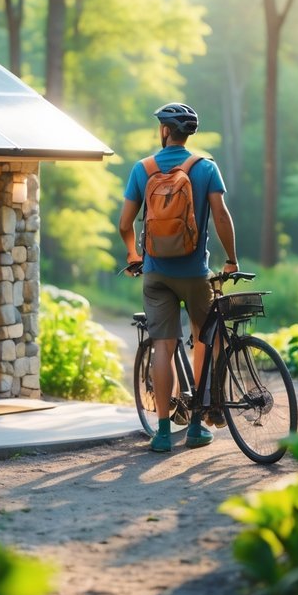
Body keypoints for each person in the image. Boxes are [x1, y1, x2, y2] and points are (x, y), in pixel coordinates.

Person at [117, 102, 239, 453]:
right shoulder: (206, 168)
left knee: (163, 347)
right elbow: (221, 216)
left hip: (156, 274)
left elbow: (125, 224)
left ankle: (163, 432)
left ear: (164, 131)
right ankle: (200, 423)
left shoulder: (142, 169)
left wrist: (133, 254)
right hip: (195, 273)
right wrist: (231, 260)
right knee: (203, 338)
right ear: (189, 134)